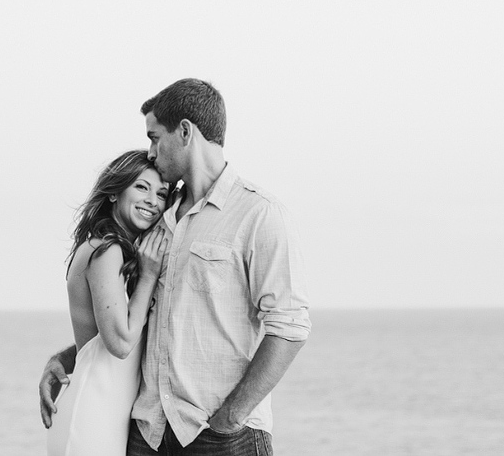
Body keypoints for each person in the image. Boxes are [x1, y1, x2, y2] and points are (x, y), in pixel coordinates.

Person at [40, 79, 311, 455]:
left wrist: (230, 418)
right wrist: (70, 358)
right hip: (146, 433)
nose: (151, 153)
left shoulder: (259, 215)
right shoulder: (156, 216)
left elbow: (290, 326)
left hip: (220, 437)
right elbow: (145, 321)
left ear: (185, 132)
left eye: (155, 138)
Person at [46, 150, 172, 456]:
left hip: (107, 415)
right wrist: (149, 275)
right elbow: (119, 342)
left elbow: (93, 340)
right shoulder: (107, 250)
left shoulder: (109, 248)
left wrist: (61, 359)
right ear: (115, 192)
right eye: (141, 187)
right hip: (93, 416)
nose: (152, 201)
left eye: (162, 193)